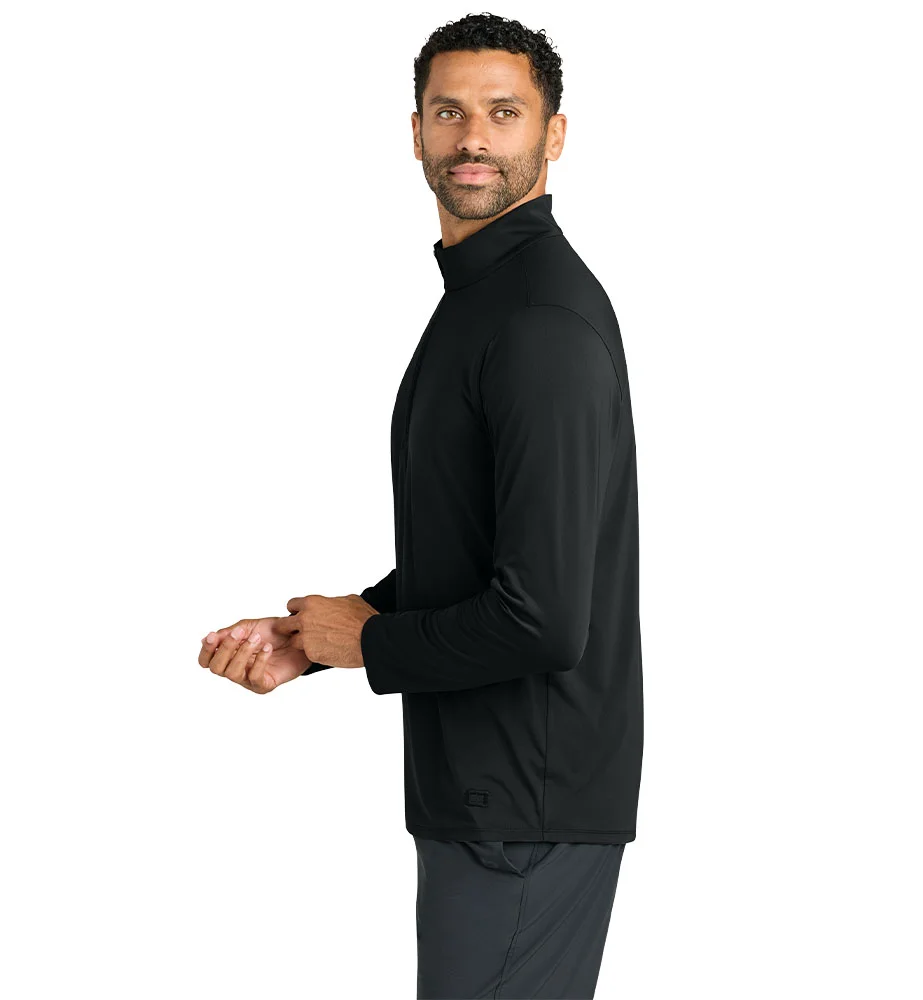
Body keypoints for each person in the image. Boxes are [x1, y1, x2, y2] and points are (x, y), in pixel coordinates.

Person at [197, 13, 643, 999]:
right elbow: (486, 551)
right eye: (449, 112)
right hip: (491, 799)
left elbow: (543, 617)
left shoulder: (537, 318)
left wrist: (371, 642)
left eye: (503, 113)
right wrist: (320, 639)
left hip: (522, 810)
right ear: (415, 132)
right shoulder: (483, 300)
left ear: (554, 135)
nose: (473, 137)